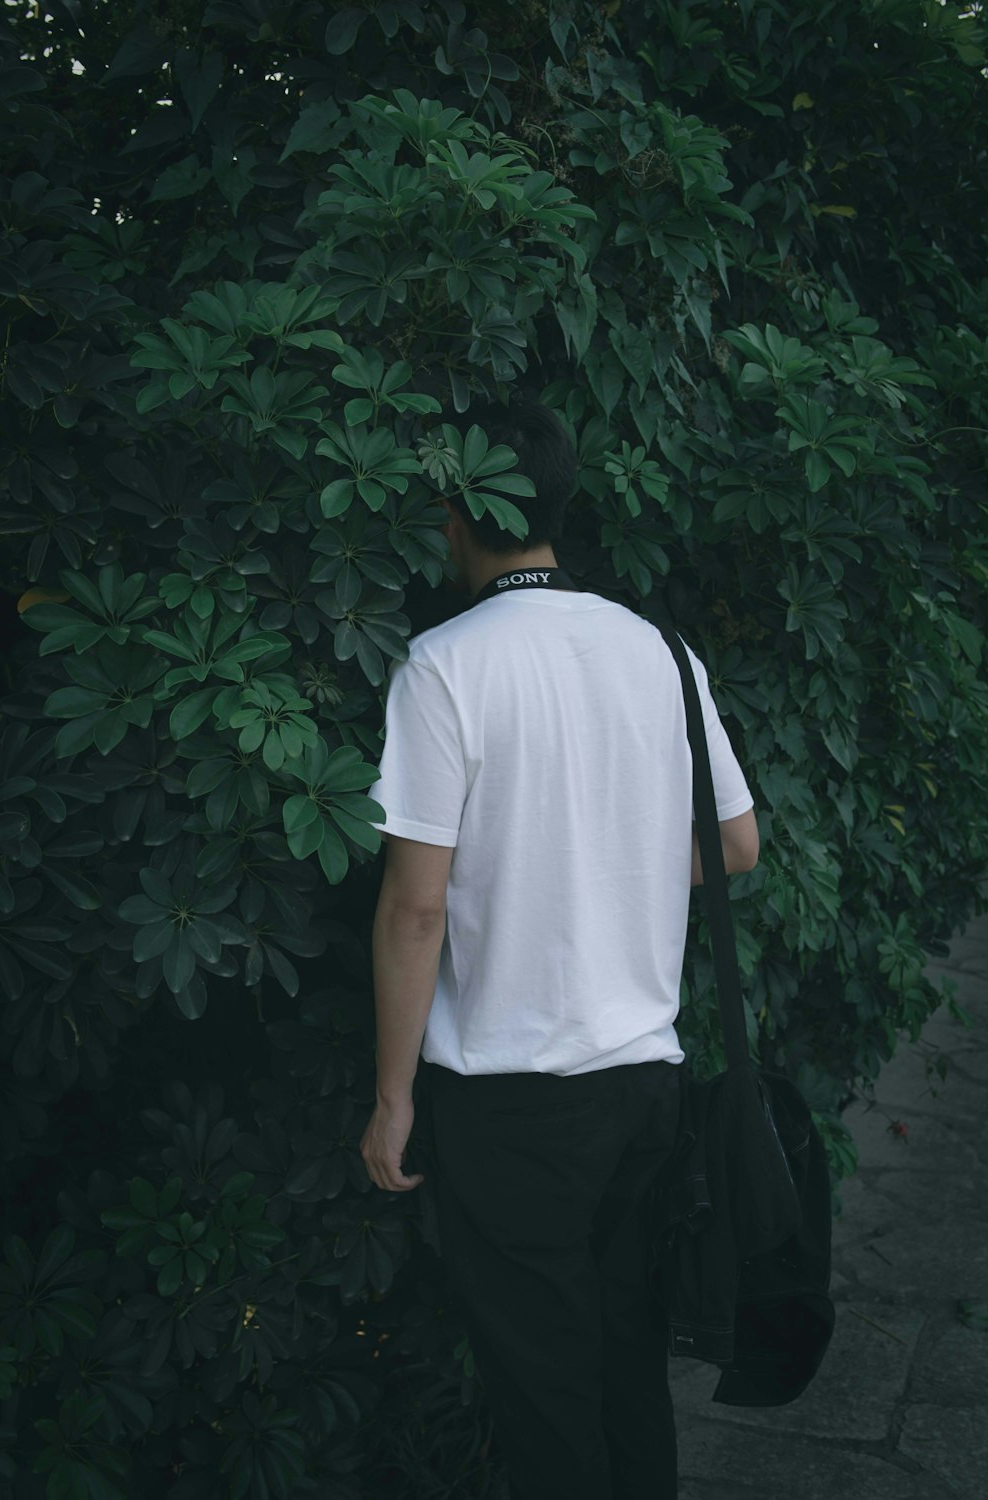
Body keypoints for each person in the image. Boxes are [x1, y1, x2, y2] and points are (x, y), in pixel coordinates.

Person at [360, 390, 759, 1500]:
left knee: (541, 1392)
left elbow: (415, 910)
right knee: (628, 1363)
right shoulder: (657, 652)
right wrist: (610, 868)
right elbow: (735, 843)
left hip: (511, 1104)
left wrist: (392, 1098)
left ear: (457, 512)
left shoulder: (444, 666)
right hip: (645, 1084)